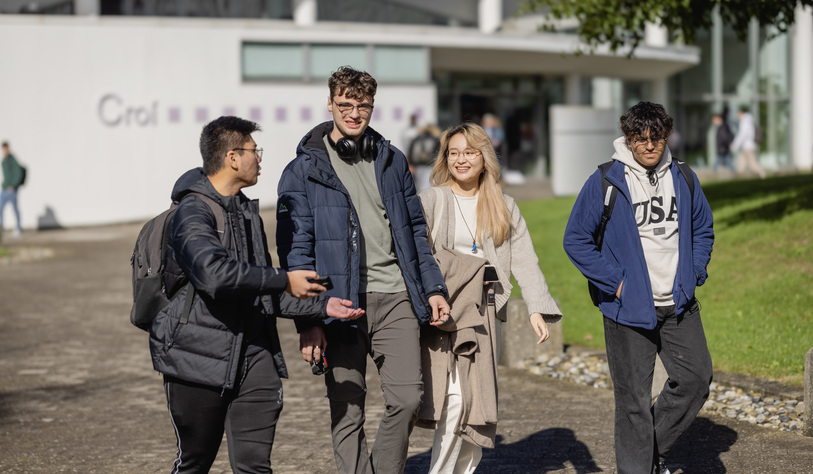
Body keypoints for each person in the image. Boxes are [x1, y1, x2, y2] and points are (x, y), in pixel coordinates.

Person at [149, 116, 365, 473]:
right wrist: (284, 279)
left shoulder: (246, 212)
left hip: (255, 356)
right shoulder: (192, 212)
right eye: (254, 151)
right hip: (197, 358)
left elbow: (262, 287)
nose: (259, 159)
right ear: (233, 157)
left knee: (254, 467)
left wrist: (320, 305)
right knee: (194, 463)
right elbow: (213, 275)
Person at [275, 66, 451, 474]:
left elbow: (415, 234)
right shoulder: (302, 170)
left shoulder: (392, 160)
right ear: (330, 103)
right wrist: (309, 318)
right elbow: (294, 253)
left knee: (407, 399)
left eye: (363, 106)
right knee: (346, 407)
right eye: (346, 105)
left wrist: (433, 288)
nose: (355, 114)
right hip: (338, 303)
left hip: (396, 298)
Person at [563, 102, 714, 474]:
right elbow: (576, 239)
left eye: (656, 137)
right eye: (639, 138)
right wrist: (616, 284)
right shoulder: (606, 180)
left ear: (666, 136)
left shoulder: (683, 176)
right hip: (627, 309)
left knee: (696, 379)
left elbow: (703, 228)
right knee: (632, 401)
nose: (649, 145)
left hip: (678, 304)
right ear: (628, 139)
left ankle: (647, 454)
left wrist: (692, 273)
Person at [417, 122, 563, 473]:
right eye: (454, 153)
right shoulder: (431, 200)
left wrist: (536, 308)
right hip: (443, 314)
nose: (461, 160)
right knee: (455, 403)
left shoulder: (503, 205)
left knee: (477, 406)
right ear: (444, 158)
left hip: (482, 316)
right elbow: (416, 253)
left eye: (469, 152)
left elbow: (524, 257)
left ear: (485, 157)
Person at [731, 106, 766, 179]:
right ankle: (738, 177)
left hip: (748, 147)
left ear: (741, 112)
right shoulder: (748, 121)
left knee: (753, 164)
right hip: (747, 147)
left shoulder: (744, 122)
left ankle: (762, 174)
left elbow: (742, 135)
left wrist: (734, 146)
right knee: (741, 164)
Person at [407, 124, 441, 192]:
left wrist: (410, 164)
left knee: (420, 186)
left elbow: (410, 152)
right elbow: (438, 154)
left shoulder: (416, 139)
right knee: (430, 186)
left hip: (417, 166)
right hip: (431, 166)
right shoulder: (435, 139)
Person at [1, 141, 24, 238]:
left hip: (11, 190)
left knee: (15, 209)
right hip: (5, 189)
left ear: (8, 148)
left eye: (6, 148)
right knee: (0, 208)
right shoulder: (4, 160)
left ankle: (18, 227)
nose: (4, 150)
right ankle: (1, 229)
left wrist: (13, 186)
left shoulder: (12, 159)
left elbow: (18, 173)